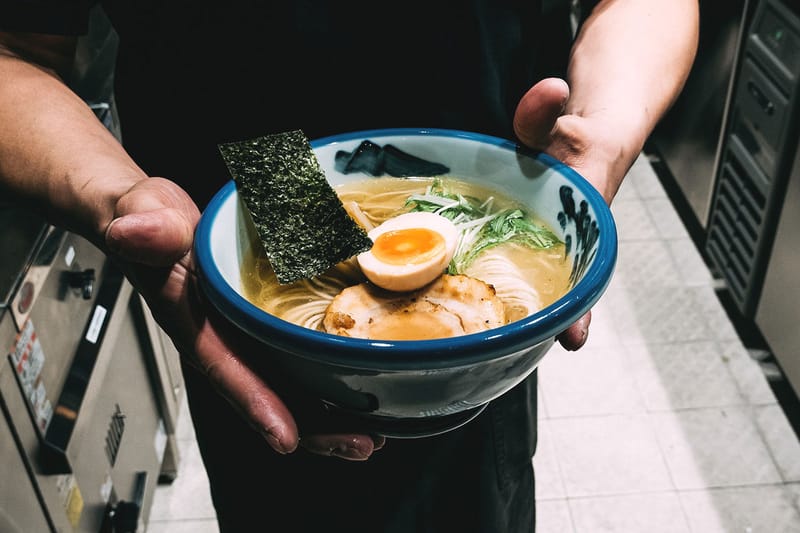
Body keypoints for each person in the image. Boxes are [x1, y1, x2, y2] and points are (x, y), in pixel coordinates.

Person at [0, 1, 699, 531]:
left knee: (473, 492)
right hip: (259, 200)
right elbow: (19, 49)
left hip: (486, 213)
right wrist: (118, 196)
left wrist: (598, 134)